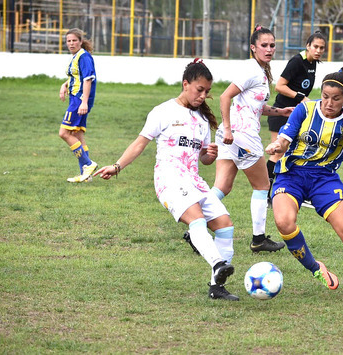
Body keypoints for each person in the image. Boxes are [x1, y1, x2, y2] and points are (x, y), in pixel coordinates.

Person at [94, 59, 239, 301]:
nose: (203, 96)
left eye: (207, 91)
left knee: (225, 226)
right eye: (199, 90)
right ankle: (217, 263)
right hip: (169, 180)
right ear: (185, 84)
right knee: (198, 221)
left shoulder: (202, 120)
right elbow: (140, 143)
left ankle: (217, 287)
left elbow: (202, 159)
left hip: (194, 181)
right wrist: (117, 165)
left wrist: (208, 155)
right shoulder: (163, 111)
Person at [265, 65, 343, 300]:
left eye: (336, 98)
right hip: (291, 173)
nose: (328, 103)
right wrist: (277, 146)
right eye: (325, 96)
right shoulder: (305, 109)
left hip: (324, 178)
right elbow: (284, 139)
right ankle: (316, 268)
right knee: (284, 222)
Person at [212, 25, 293, 253]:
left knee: (222, 187)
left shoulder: (261, 71)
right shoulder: (251, 70)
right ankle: (258, 239)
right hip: (242, 136)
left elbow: (255, 107)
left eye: (272, 45)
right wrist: (227, 129)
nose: (269, 49)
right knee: (262, 185)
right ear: (253, 48)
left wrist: (281, 111)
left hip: (232, 137)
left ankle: (196, 226)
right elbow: (225, 96)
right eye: (264, 45)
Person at [266, 31, 327, 207]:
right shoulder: (297, 62)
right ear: (308, 46)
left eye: (322, 48)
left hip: (296, 115)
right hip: (281, 114)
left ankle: (296, 193)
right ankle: (266, 194)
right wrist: (301, 97)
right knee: (278, 154)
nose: (318, 50)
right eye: (315, 46)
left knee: (296, 153)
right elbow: (279, 86)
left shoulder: (312, 63)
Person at [58, 28, 98, 183]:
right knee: (77, 135)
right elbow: (78, 77)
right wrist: (65, 85)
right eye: (68, 41)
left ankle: (88, 164)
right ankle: (86, 175)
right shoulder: (77, 56)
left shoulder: (84, 57)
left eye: (74, 40)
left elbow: (88, 79)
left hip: (78, 101)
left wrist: (84, 101)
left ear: (80, 41)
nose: (71, 43)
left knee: (64, 133)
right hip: (76, 99)